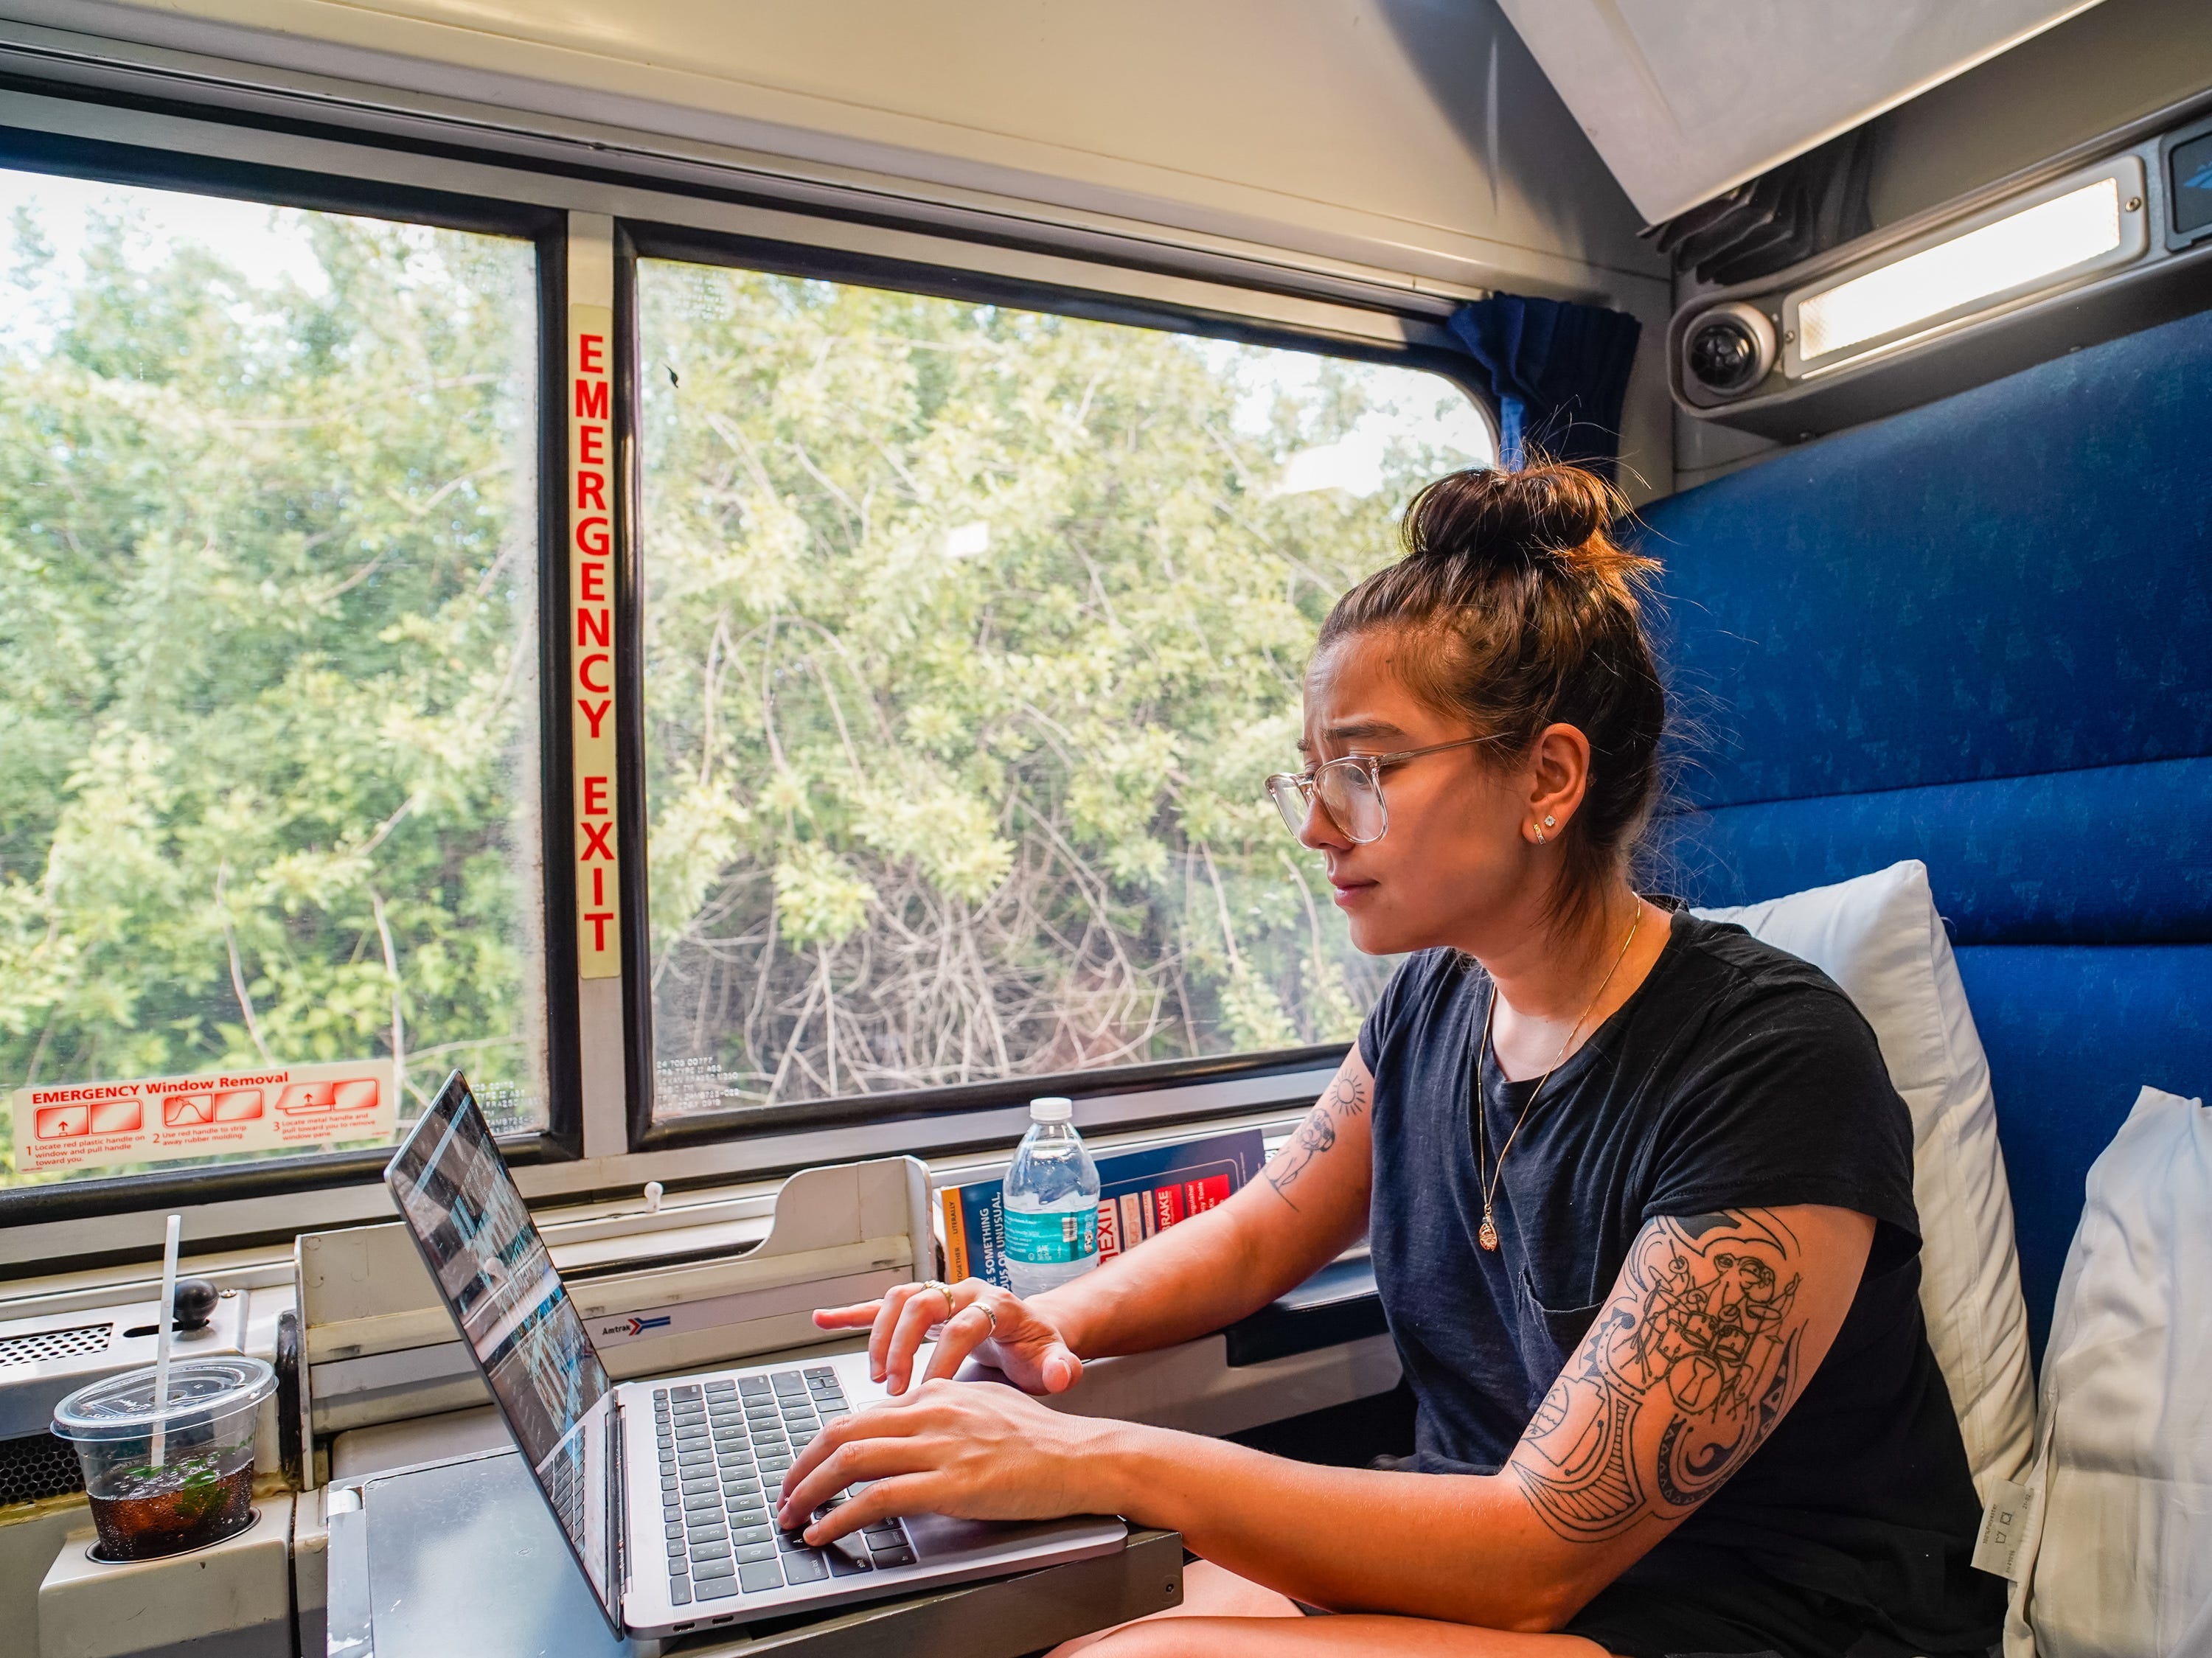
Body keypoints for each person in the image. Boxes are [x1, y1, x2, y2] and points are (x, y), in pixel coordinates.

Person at [774, 461, 2006, 1658]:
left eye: (1363, 771)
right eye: (1311, 776)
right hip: (1498, 1570)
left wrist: (1094, 1457)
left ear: (1550, 777)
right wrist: (1037, 1319)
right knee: (1038, 1612)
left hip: (1751, 1613)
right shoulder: (1434, 1002)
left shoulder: (1772, 1062)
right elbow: (1264, 1230)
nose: (1316, 825)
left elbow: (1538, 1548)